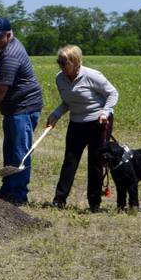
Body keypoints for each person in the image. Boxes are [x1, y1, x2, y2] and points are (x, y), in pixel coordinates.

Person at [47, 45, 118, 212]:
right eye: (59, 62)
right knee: (70, 161)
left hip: (98, 123)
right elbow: (67, 102)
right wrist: (55, 115)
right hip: (76, 123)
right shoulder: (60, 79)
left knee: (95, 162)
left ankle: (94, 203)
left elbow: (112, 93)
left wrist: (105, 112)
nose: (61, 66)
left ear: (75, 62)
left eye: (64, 62)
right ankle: (59, 200)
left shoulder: (92, 76)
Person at [0, 16, 44, 205]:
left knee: (20, 152)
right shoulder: (5, 47)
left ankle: (18, 194)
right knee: (10, 150)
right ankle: (8, 188)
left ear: (8, 35)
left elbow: (2, 87)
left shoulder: (10, 54)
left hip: (24, 108)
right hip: (14, 109)